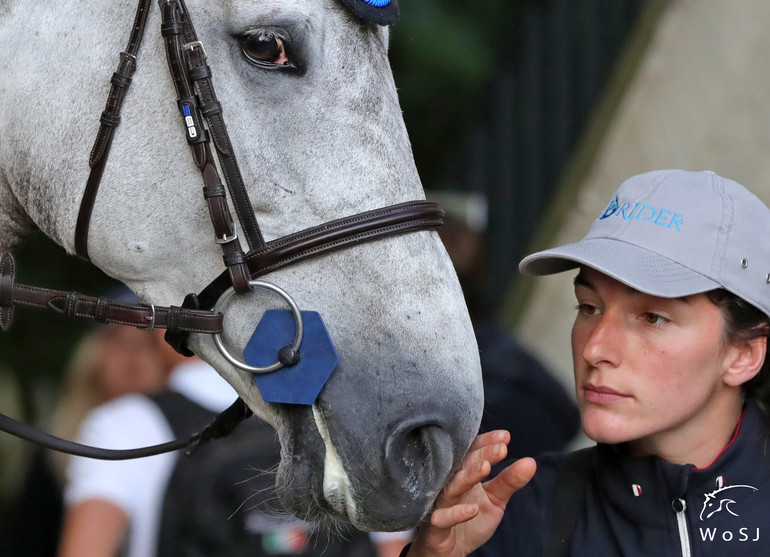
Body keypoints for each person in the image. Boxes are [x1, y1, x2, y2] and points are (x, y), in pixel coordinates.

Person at [404, 169, 770, 556]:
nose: (595, 349)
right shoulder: (513, 514)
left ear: (744, 355)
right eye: (589, 307)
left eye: (652, 317)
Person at [0, 319, 171, 557]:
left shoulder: (196, 444)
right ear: (92, 354)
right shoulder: (53, 454)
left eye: (148, 344)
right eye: (120, 341)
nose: (134, 358)